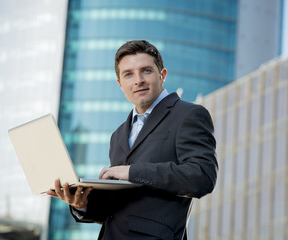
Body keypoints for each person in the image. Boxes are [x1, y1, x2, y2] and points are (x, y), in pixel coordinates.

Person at [47, 40, 218, 239]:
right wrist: (82, 204)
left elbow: (202, 176)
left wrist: (131, 171)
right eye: (128, 74)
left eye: (146, 71)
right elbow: (118, 208)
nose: (138, 80)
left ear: (162, 75)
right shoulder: (118, 135)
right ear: (120, 84)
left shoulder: (188, 115)